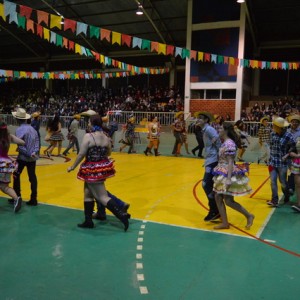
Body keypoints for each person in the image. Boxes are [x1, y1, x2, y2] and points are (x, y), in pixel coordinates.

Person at [67, 115, 130, 231]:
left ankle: (122, 216)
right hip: (101, 167)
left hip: (91, 168)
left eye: (89, 122)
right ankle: (88, 220)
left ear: (92, 123)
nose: (88, 124)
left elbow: (81, 154)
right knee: (87, 193)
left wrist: (72, 166)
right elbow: (109, 153)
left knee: (102, 197)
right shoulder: (106, 137)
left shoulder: (88, 136)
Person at [212, 123, 254, 229]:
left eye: (221, 128)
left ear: (226, 130)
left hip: (226, 172)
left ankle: (248, 215)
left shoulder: (229, 144)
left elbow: (230, 162)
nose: (218, 130)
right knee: (218, 197)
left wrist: (229, 178)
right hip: (222, 170)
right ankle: (226, 222)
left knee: (228, 201)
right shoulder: (225, 142)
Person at [196, 111, 221, 221]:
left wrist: (221, 158)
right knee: (209, 184)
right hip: (210, 159)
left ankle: (214, 209)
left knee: (206, 184)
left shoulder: (209, 129)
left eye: (200, 118)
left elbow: (218, 142)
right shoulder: (204, 130)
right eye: (197, 118)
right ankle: (215, 209)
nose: (198, 119)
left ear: (206, 120)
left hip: (214, 159)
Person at [12, 108, 39, 206]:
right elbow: (37, 143)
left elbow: (21, 145)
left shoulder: (19, 130)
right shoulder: (33, 129)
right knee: (32, 177)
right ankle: (34, 198)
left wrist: (28, 153)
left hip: (23, 157)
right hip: (33, 158)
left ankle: (16, 196)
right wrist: (34, 152)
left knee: (16, 175)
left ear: (17, 119)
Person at [267, 116, 296, 207]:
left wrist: (287, 155)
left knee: (283, 182)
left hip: (282, 163)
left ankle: (286, 195)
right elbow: (271, 146)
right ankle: (274, 200)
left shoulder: (288, 135)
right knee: (273, 181)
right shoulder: (272, 134)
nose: (273, 127)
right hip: (272, 162)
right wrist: (269, 157)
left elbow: (293, 147)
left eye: (275, 126)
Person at [0, 121, 25, 212]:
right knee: (4, 186)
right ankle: (16, 198)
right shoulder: (9, 136)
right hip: (6, 163)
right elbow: (22, 142)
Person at [282, 137, 300, 212]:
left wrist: (296, 155)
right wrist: (289, 154)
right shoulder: (298, 139)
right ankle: (299, 204)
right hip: (297, 163)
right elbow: (293, 149)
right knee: (298, 185)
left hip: (297, 159)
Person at [287, 114, 300, 195]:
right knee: (291, 171)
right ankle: (291, 187)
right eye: (293, 122)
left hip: (298, 154)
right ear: (291, 122)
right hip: (289, 153)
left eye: (296, 122)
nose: (294, 123)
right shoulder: (287, 131)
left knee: (296, 171)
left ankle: (293, 187)